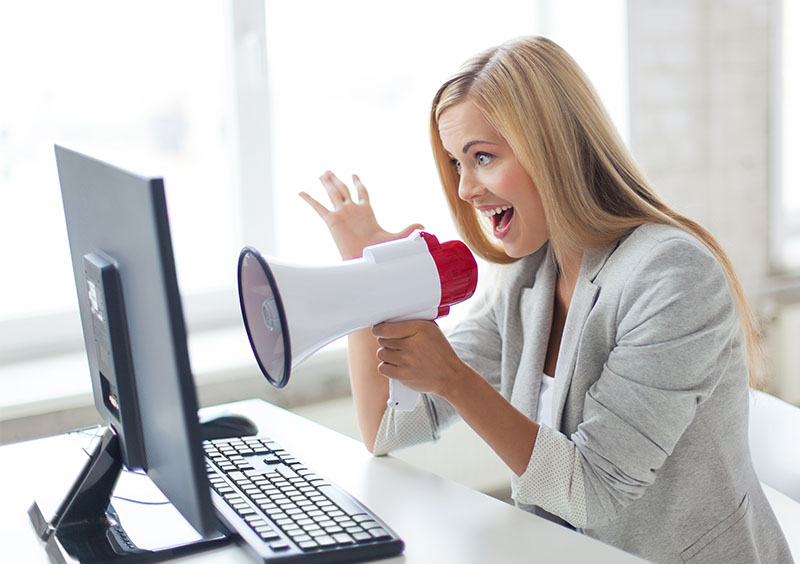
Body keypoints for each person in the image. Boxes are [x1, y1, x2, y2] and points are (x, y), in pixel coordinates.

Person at [299, 36, 793, 564]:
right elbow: (388, 428)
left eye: (482, 157)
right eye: (456, 163)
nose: (465, 188)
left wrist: (454, 379)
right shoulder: (528, 277)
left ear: (552, 149)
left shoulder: (673, 275)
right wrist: (365, 286)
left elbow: (595, 491)